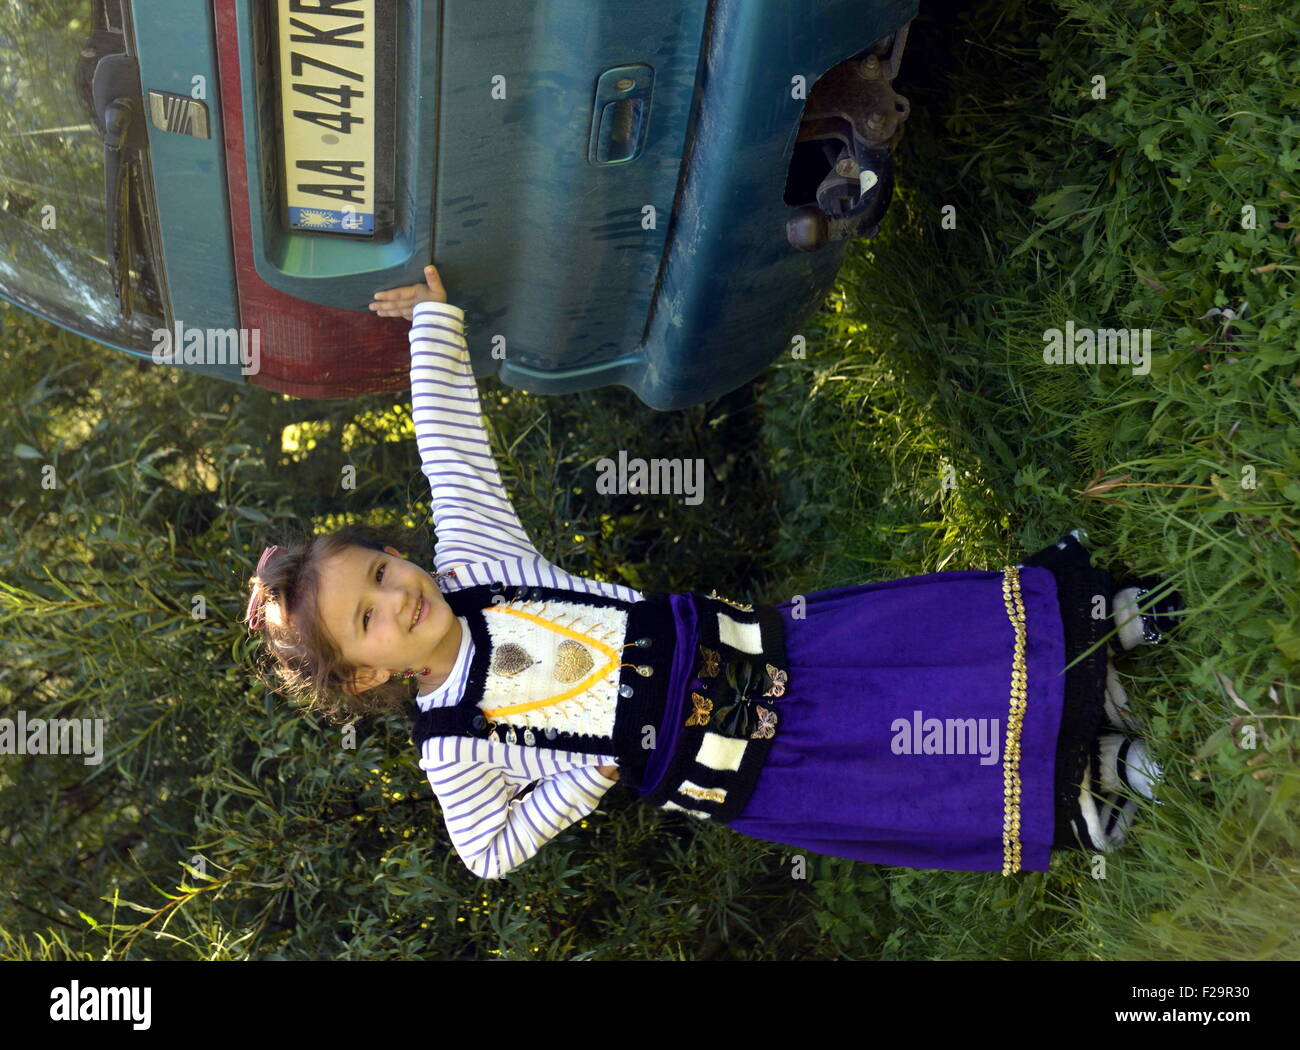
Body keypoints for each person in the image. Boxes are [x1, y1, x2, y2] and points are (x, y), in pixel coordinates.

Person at [243, 265, 1178, 880]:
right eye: (367, 619)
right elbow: (486, 850)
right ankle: (1079, 777)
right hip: (753, 768)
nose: (396, 596)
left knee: (915, 653)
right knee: (904, 757)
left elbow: (452, 448)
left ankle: (1091, 636)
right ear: (366, 674)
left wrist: (432, 322)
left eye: (379, 568)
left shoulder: (480, 566)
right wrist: (581, 783)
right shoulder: (452, 744)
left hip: (769, 649)